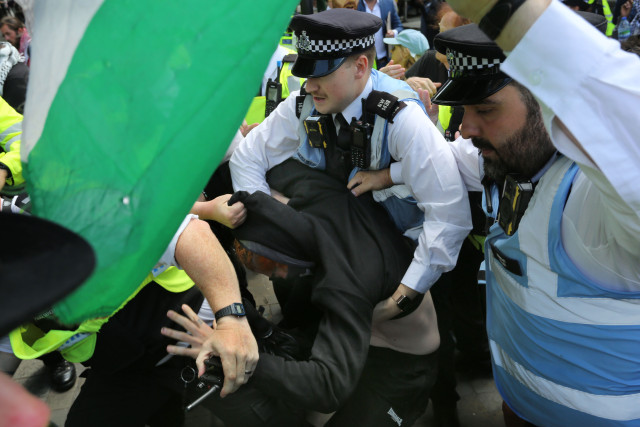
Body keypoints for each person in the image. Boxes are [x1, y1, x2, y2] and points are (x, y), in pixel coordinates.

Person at [431, 0, 640, 425]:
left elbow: (624, 125)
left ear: (552, 106)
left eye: (485, 110)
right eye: (464, 111)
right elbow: (440, 158)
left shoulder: (600, 205)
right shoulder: (508, 156)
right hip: (516, 406)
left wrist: (504, 11)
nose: (465, 129)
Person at [231, 7, 470, 339]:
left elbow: (449, 213)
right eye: (307, 73)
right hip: (342, 259)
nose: (309, 85)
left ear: (361, 66)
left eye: (321, 74)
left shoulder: (401, 118)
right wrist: (276, 226)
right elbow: (246, 157)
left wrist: (403, 298)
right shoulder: (304, 104)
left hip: (405, 259)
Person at [358, 0, 404, 67]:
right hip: (363, 62)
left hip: (384, 60)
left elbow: (399, 26)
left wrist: (393, 32)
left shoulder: (388, 3)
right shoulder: (355, 5)